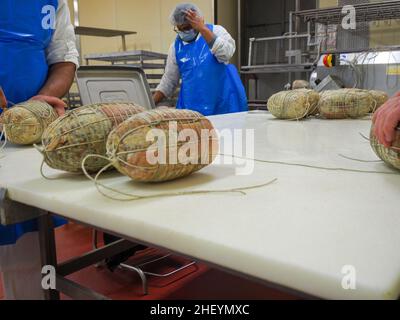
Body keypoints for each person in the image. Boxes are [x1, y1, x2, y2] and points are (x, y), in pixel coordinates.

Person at [0, 0, 79, 300]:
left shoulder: (53, 2)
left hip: (26, 135)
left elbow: (63, 56)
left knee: (26, 234)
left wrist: (39, 102)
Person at [153, 3, 248, 116]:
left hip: (223, 106)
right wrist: (150, 103)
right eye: (180, 29)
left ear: (197, 21)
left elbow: (226, 54)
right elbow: (169, 81)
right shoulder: (175, 47)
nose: (184, 32)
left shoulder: (216, 31)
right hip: (192, 111)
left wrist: (202, 28)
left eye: (188, 27)